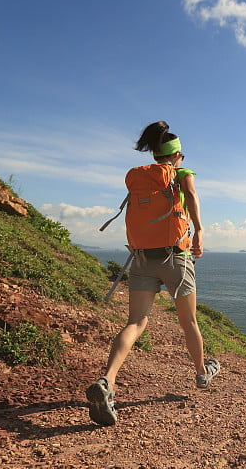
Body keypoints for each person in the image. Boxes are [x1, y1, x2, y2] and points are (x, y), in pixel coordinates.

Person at [86, 120, 219, 426]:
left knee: (135, 322)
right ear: (176, 156)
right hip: (175, 257)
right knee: (189, 322)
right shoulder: (180, 174)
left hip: (142, 258)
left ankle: (107, 382)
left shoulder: (140, 178)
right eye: (182, 156)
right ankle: (202, 374)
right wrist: (199, 231)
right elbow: (193, 196)